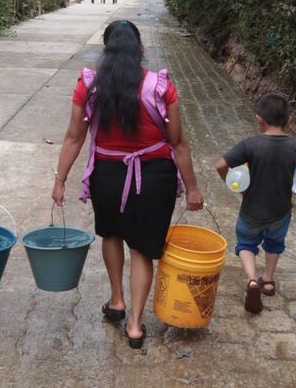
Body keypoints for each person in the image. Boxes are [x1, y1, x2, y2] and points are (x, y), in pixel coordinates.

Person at [52, 20, 204, 349]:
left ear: (105, 52)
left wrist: (60, 179)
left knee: (111, 234)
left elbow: (74, 137)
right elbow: (178, 143)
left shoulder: (89, 86)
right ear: (141, 50)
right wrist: (192, 188)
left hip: (106, 176)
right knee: (141, 249)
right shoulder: (161, 87)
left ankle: (117, 300)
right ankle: (135, 325)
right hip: (154, 178)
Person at [214, 93, 296, 313]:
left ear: (258, 119)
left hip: (251, 209)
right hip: (281, 210)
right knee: (274, 243)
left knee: (246, 243)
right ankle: (269, 280)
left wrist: (236, 186)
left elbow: (220, 166)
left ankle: (252, 279)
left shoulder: (250, 145)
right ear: (289, 120)